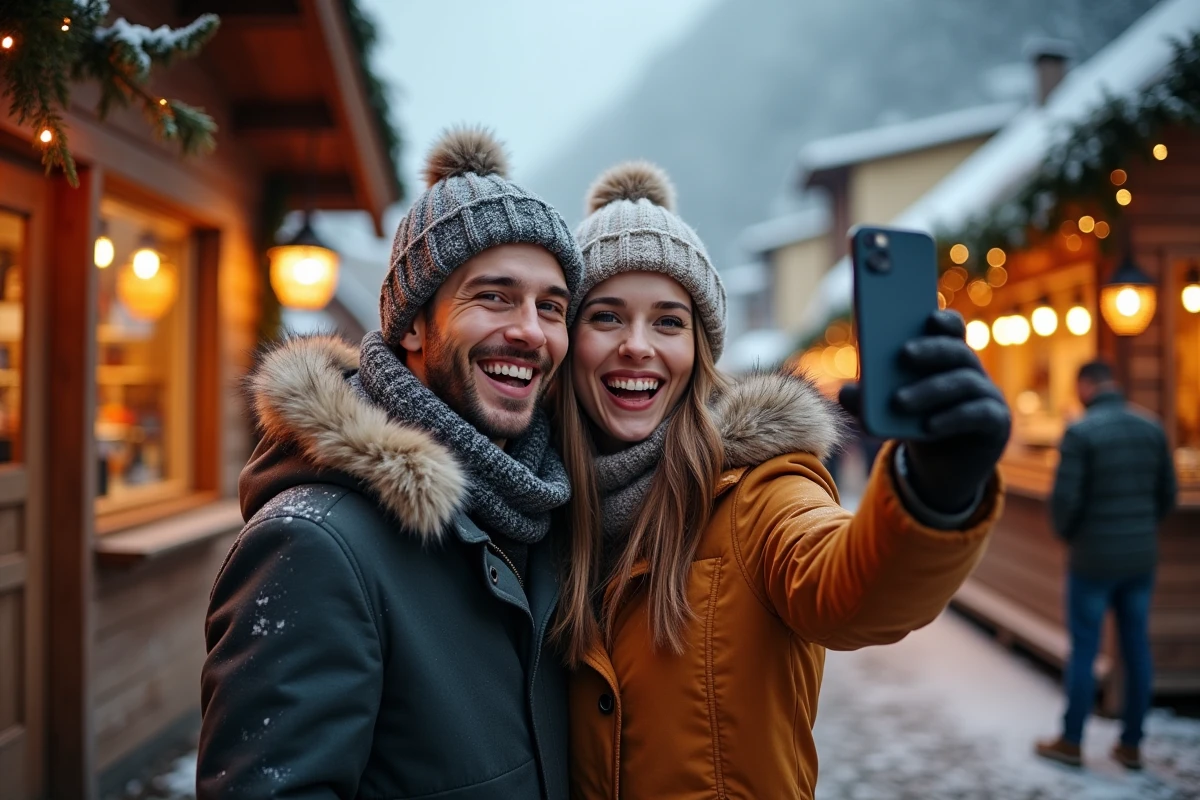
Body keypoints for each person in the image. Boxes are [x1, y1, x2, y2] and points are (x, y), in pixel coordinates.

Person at [554, 162, 1011, 800]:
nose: (638, 345)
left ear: (700, 350)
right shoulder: (535, 506)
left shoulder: (757, 492)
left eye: (668, 321)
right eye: (605, 317)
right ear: (566, 340)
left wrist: (934, 490)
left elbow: (852, 589)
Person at [197, 128, 585, 799]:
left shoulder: (542, 514)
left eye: (551, 306)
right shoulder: (313, 546)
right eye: (493, 296)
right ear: (412, 325)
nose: (530, 331)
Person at [1035, 359, 1177, 771]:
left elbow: (1064, 503)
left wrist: (1071, 535)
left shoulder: (1080, 433)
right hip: (1140, 559)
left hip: (1092, 560)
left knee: (1084, 648)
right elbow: (1166, 495)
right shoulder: (1152, 427)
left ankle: (1071, 740)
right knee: (1136, 647)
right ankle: (1132, 743)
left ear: (1084, 387)